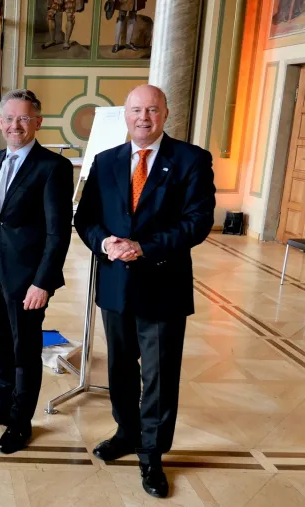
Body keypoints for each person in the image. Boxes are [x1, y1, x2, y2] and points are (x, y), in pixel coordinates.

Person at [74, 84, 216, 498]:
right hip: (115, 283)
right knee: (119, 367)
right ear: (126, 114)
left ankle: (152, 454)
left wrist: (145, 247)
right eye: (136, 110)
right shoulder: (106, 161)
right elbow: (85, 218)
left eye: (152, 110)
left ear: (165, 114)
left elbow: (197, 221)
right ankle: (126, 432)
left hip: (162, 284)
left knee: (158, 375)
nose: (144, 118)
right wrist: (105, 242)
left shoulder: (191, 159)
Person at [0, 89, 73, 454]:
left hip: (28, 279)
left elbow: (58, 232)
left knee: (25, 351)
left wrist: (43, 282)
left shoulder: (53, 167)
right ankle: (2, 406)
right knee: (0, 346)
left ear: (37, 122)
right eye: (9, 118)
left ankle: (20, 421)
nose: (16, 125)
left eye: (24, 118)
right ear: (0, 122)